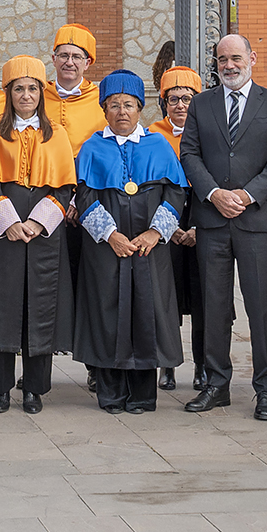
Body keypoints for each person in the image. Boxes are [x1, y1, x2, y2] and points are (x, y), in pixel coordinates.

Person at [178, 33, 267, 420]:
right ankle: (216, 384)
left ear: (252, 58)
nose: (228, 65)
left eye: (235, 58)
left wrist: (246, 195)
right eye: (222, 59)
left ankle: (265, 390)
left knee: (261, 308)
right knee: (213, 306)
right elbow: (189, 153)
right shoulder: (201, 103)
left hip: (258, 220)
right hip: (212, 220)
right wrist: (213, 194)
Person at [72, 70, 188, 413]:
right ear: (104, 109)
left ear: (140, 108)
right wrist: (111, 235)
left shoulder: (159, 145)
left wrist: (155, 232)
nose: (121, 111)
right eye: (113, 105)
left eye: (128, 105)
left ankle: (143, 395)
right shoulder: (92, 147)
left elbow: (176, 193)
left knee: (146, 313)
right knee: (107, 313)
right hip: (106, 250)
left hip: (149, 249)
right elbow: (85, 196)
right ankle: (110, 394)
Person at [0, 55, 76, 413]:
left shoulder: (57, 133)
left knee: (41, 305)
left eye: (33, 88)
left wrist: (38, 222)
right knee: (1, 305)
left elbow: (64, 187)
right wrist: (10, 223)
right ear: (9, 93)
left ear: (41, 93)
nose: (27, 95)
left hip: (44, 233)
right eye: (19, 89)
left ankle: (34, 388)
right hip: (2, 231)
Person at [153, 65, 202, 392]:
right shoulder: (153, 136)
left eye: (187, 98)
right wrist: (167, 226)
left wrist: (198, 225)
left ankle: (203, 366)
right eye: (173, 99)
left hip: (202, 222)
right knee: (165, 296)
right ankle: (166, 364)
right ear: (164, 103)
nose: (180, 105)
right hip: (164, 221)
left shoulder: (211, 133)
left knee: (204, 299)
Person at [44, 25, 107, 148]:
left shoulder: (102, 99)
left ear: (87, 63)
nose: (69, 63)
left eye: (76, 57)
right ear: (54, 59)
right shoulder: (37, 97)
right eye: (64, 55)